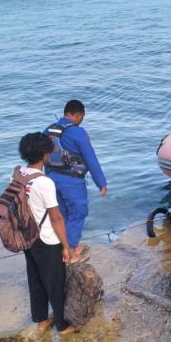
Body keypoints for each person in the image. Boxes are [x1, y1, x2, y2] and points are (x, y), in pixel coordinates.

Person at [16, 132, 76, 335]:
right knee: (55, 282)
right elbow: (56, 218)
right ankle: (62, 325)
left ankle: (41, 320)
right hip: (47, 240)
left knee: (35, 277)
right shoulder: (45, 182)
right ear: (43, 154)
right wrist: (66, 246)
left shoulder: (17, 173)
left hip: (27, 235)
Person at [44, 100, 107, 264]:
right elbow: (90, 158)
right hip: (72, 181)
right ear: (78, 114)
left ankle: (66, 246)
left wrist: (46, 179)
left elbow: (43, 157)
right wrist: (101, 182)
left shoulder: (48, 130)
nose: (81, 120)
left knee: (62, 214)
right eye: (82, 117)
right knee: (78, 214)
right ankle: (71, 253)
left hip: (51, 178)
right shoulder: (78, 133)